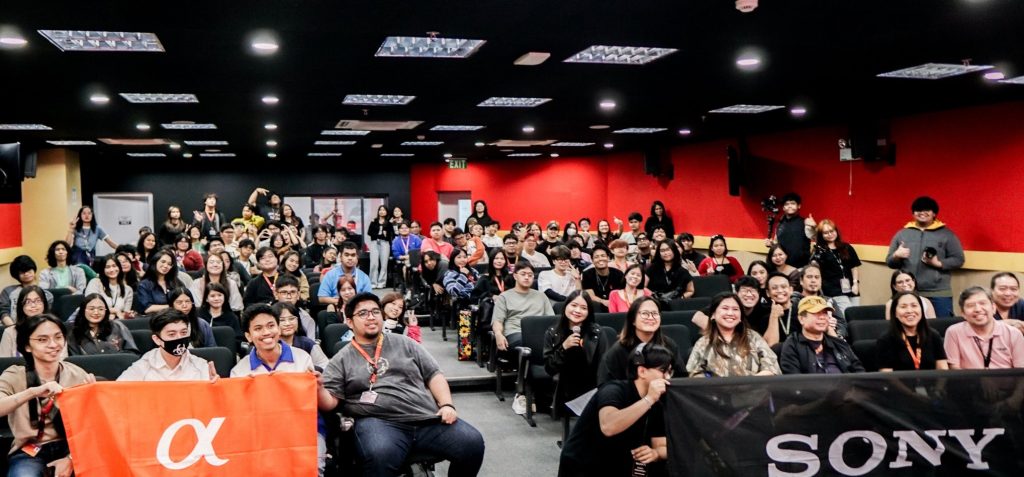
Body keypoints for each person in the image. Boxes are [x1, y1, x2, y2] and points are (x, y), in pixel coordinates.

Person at [319, 293, 486, 476]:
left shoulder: (405, 343)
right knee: (380, 454)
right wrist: (318, 388)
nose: (371, 317)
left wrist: (447, 404)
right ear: (350, 322)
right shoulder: (342, 359)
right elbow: (330, 402)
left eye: (375, 311)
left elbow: (434, 375)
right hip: (378, 421)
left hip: (425, 417)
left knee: (472, 443)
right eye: (363, 313)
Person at [0, 314, 95, 476]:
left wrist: (71, 459)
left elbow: (91, 426)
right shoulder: (14, 375)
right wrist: (32, 392)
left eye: (58, 337)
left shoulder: (77, 374)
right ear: (27, 346)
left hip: (72, 448)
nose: (53, 344)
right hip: (30, 450)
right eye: (42, 340)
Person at [558, 343, 671, 477]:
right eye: (663, 371)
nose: (668, 377)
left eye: (670, 372)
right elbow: (608, 426)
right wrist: (649, 399)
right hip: (583, 465)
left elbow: (662, 445)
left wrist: (656, 453)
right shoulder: (613, 390)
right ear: (642, 371)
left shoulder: (657, 402)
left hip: (617, 464)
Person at [885, 196, 965, 318]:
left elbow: (959, 259)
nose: (922, 213)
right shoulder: (902, 234)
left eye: (927, 210)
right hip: (909, 292)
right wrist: (896, 255)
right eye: (918, 210)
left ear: (934, 213)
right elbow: (890, 262)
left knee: (941, 325)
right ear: (913, 213)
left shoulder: (947, 234)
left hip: (938, 293)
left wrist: (938, 263)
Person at [686, 292, 780, 377]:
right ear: (713, 315)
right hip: (717, 390)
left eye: (735, 309)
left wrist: (748, 383)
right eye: (725, 308)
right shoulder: (703, 343)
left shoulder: (753, 337)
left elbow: (772, 369)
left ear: (740, 317)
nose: (730, 313)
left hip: (752, 388)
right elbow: (694, 374)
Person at [598, 297, 685, 384]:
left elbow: (681, 378)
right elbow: (606, 386)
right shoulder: (617, 351)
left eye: (655, 313)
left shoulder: (669, 345)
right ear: (633, 320)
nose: (650, 317)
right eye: (644, 313)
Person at [118, 309, 217, 381]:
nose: (179, 338)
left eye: (183, 333)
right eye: (172, 334)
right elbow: (118, 393)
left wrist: (216, 387)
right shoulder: (142, 368)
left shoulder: (201, 366)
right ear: (157, 340)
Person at [543, 291, 607, 402]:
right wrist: (564, 347)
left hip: (591, 388)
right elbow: (549, 368)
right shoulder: (553, 333)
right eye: (573, 305)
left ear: (589, 311)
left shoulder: (597, 333)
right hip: (563, 388)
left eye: (583, 308)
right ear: (565, 306)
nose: (577, 311)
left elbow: (604, 366)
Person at [779, 296, 863, 374]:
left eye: (825, 313)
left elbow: (859, 372)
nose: (822, 317)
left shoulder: (838, 343)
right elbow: (794, 379)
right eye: (816, 313)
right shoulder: (792, 344)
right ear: (801, 319)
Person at [944, 287, 1024, 369]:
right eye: (970, 305)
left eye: (982, 303)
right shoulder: (953, 333)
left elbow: (1020, 371)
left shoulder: (1013, 334)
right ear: (963, 313)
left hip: (1007, 377)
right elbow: (954, 370)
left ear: (993, 308)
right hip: (968, 377)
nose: (978, 309)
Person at [493, 262, 555, 355]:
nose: (527, 277)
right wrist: (498, 334)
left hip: (539, 333)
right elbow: (498, 321)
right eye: (523, 274)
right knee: (533, 342)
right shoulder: (504, 297)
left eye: (530, 275)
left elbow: (551, 319)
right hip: (515, 333)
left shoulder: (541, 296)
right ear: (515, 276)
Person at [877, 292, 948, 371]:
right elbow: (887, 375)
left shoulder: (933, 336)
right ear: (895, 313)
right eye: (903, 307)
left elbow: (943, 371)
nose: (909, 311)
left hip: (931, 380)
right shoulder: (886, 340)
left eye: (914, 306)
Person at [810, 219, 862, 315]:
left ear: (836, 231)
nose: (830, 234)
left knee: (856, 315)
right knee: (847, 314)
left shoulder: (846, 247)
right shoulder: (820, 251)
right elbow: (815, 269)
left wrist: (856, 284)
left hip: (851, 287)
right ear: (821, 235)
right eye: (826, 233)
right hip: (833, 290)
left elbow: (854, 267)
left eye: (832, 231)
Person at [0, 286, 64, 358]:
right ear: (21, 306)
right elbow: (4, 362)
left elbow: (62, 359)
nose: (33, 305)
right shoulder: (10, 332)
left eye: (38, 301)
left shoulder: (56, 330)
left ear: (44, 304)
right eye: (28, 302)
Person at [692, 276, 770, 334]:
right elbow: (697, 317)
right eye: (744, 290)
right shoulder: (727, 305)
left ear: (758, 294)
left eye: (753, 291)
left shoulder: (765, 311)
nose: (749, 294)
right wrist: (720, 331)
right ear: (736, 293)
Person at [66, 294, 139, 355]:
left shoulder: (117, 326)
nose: (96, 312)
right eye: (91, 309)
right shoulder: (73, 333)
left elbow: (132, 353)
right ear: (83, 310)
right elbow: (73, 359)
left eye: (100, 309)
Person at [793, 264, 849, 340]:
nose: (813, 280)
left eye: (817, 277)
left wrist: (837, 330)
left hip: (830, 340)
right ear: (801, 281)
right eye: (809, 277)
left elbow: (842, 323)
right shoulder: (794, 301)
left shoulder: (829, 301)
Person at [764, 192, 815, 268]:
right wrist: (772, 244)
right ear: (783, 208)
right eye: (787, 204)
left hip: (801, 267)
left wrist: (814, 227)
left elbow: (817, 238)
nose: (789, 206)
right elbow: (777, 244)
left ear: (799, 206)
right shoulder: (779, 225)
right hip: (783, 266)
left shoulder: (805, 223)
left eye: (793, 203)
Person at [2, 257, 54, 328]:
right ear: (17, 275)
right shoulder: (8, 291)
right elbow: (3, 312)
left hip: (39, 327)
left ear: (34, 270)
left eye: (29, 270)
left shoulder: (47, 294)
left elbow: (46, 315)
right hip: (13, 327)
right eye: (22, 272)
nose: (26, 274)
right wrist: (13, 328)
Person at [318, 241, 372, 308]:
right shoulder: (330, 275)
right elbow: (321, 298)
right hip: (337, 308)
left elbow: (369, 299)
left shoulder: (364, 277)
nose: (350, 258)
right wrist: (342, 301)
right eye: (346, 255)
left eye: (353, 255)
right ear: (340, 257)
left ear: (357, 257)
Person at [85, 255, 135, 319]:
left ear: (119, 268)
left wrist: (127, 315)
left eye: (114, 266)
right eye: (107, 267)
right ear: (103, 269)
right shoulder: (95, 283)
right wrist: (115, 311)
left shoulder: (128, 289)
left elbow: (125, 313)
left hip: (116, 321)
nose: (111, 270)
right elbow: (91, 305)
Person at [135, 250, 184, 315]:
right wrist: (172, 306)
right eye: (163, 262)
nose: (166, 266)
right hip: (154, 318)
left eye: (169, 264)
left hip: (177, 317)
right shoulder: (144, 284)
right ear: (155, 262)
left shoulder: (176, 282)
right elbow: (146, 309)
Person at [197, 282, 243, 351]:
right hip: (202, 351)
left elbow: (238, 339)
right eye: (212, 296)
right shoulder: (199, 315)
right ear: (206, 299)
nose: (216, 298)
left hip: (226, 352)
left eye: (219, 295)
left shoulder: (232, 317)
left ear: (224, 297)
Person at [762, 273, 802, 346]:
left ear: (791, 290)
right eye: (774, 288)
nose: (780, 290)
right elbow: (771, 345)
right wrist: (774, 316)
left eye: (783, 287)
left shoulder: (801, 310)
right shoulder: (764, 314)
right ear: (768, 293)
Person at [273, 275, 317, 340]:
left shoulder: (306, 318)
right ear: (276, 294)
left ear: (298, 295)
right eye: (284, 292)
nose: (289, 297)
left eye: (293, 292)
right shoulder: (267, 315)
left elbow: (311, 343)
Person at [582, 245, 625, 310]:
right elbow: (590, 295)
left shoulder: (618, 274)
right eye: (596, 257)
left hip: (616, 306)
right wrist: (603, 301)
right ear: (592, 260)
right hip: (596, 307)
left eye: (603, 256)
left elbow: (622, 293)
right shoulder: (587, 274)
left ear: (608, 258)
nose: (600, 259)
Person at [366, 205, 394, 289]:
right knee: (374, 263)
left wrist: (385, 235)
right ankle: (373, 282)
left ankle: (381, 282)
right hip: (374, 242)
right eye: (380, 210)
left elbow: (391, 235)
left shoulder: (389, 223)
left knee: (384, 264)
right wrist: (378, 234)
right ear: (378, 211)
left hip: (385, 243)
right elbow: (369, 232)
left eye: (384, 210)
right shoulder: (374, 221)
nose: (382, 211)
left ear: (386, 212)